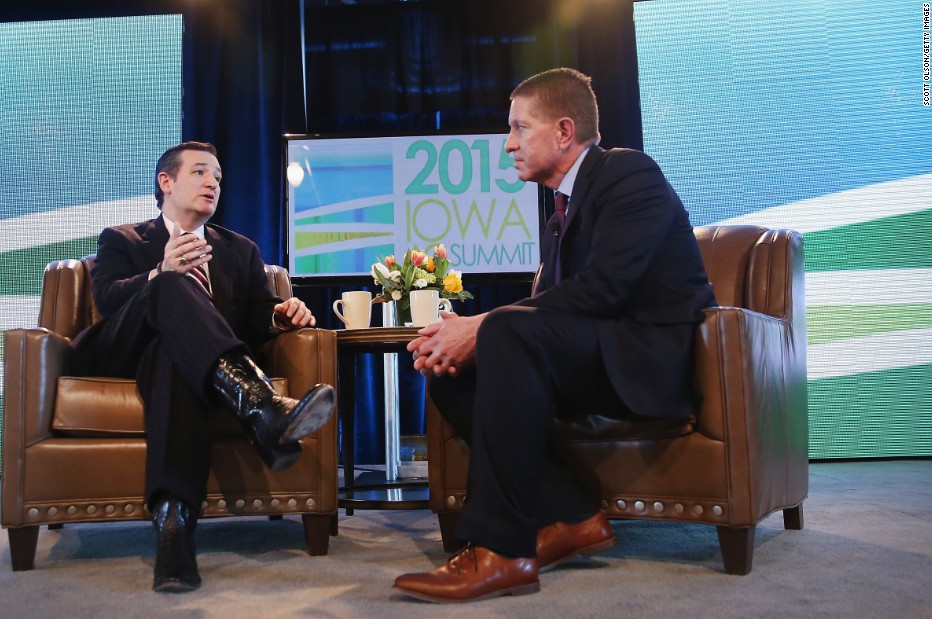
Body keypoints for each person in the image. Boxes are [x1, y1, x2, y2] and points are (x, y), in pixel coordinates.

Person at [393, 68, 717, 603]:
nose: (508, 145)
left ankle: (501, 550)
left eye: (520, 128)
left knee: (506, 331)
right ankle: (573, 515)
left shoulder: (627, 173)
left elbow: (606, 290)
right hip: (596, 354)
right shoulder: (558, 210)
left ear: (564, 132)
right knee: (452, 372)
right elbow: (558, 310)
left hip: (643, 362)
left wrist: (484, 324)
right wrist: (468, 337)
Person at [71, 141, 336, 594]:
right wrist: (160, 271)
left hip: (179, 361)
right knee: (168, 285)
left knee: (172, 360)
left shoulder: (239, 249)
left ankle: (174, 530)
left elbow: (254, 314)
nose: (213, 182)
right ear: (166, 182)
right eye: (199, 172)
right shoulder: (123, 239)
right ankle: (258, 403)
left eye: (217, 176)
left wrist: (280, 313)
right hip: (120, 351)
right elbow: (109, 301)